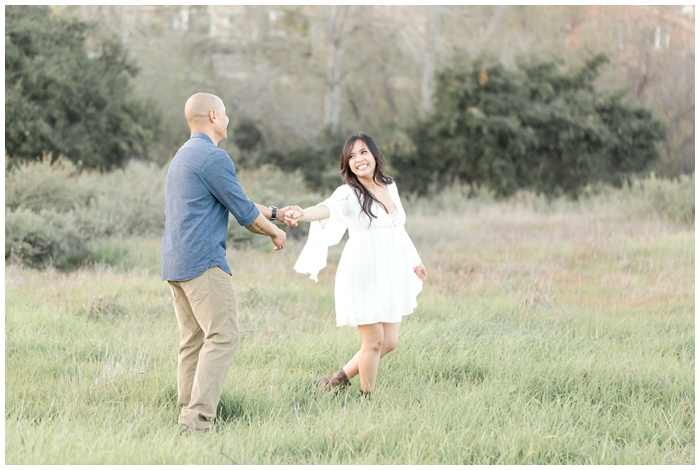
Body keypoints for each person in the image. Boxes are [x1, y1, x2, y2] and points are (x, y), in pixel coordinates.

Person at [162, 92, 300, 433]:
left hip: (176, 263)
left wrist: (276, 213)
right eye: (224, 113)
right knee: (224, 336)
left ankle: (186, 414)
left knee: (193, 340)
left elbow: (236, 199)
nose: (227, 119)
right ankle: (197, 421)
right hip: (203, 263)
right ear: (213, 115)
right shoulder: (213, 157)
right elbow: (245, 215)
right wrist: (274, 232)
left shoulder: (184, 155)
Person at [288, 133, 427, 398]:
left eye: (363, 152)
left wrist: (415, 259)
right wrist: (302, 213)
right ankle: (366, 399)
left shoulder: (389, 185)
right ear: (347, 164)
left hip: (390, 269)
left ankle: (339, 377)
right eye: (351, 156)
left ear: (375, 155)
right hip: (363, 269)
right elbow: (325, 209)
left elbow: (398, 228)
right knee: (373, 342)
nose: (358, 160)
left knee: (390, 342)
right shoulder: (348, 193)